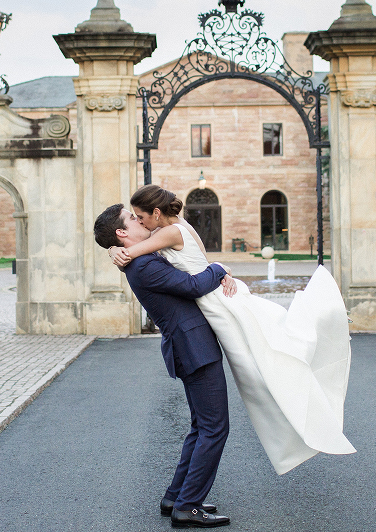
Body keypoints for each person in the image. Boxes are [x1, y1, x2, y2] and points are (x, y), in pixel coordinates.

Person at [109, 185, 355, 476]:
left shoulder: (168, 233)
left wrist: (117, 251)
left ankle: (296, 410)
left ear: (157, 213)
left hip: (215, 301)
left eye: (140, 216)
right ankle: (289, 417)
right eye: (134, 219)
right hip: (212, 300)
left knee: (260, 363)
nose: (139, 222)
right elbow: (173, 255)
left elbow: (134, 252)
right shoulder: (175, 227)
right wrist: (114, 246)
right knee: (254, 366)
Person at [93, 202, 237, 529]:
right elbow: (193, 286)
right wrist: (219, 267)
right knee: (215, 428)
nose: (140, 219)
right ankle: (188, 506)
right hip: (194, 348)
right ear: (121, 232)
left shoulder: (139, 258)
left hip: (190, 346)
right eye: (133, 218)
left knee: (202, 426)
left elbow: (178, 232)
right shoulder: (142, 265)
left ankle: (177, 497)